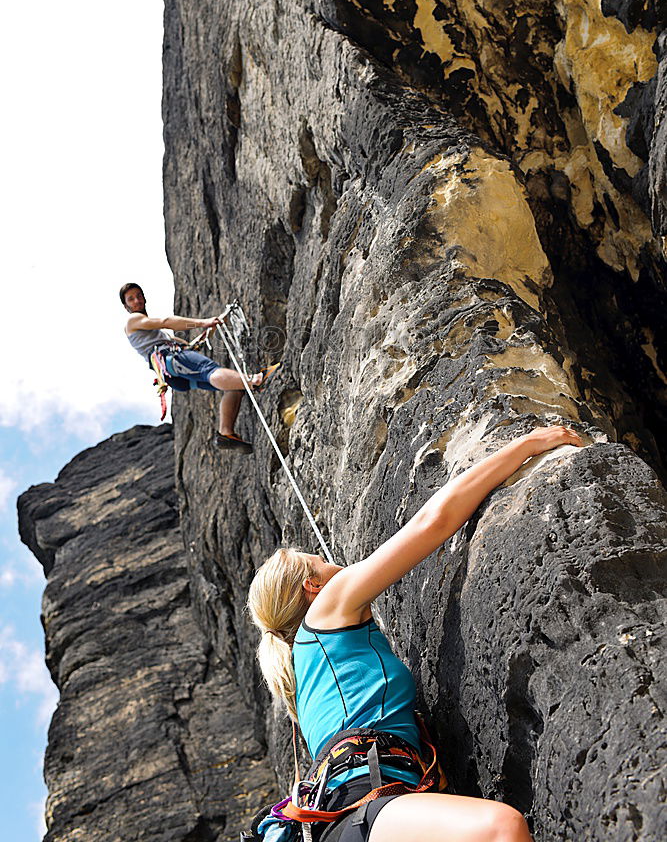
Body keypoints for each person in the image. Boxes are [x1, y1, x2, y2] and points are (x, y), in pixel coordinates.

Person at [247, 425, 584, 841]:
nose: (336, 564)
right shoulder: (328, 608)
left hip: (353, 817)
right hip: (366, 803)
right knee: (501, 828)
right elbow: (434, 521)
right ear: (312, 589)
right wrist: (527, 445)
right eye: (321, 562)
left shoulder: (307, 670)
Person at [120, 282, 277, 453]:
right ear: (126, 305)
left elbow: (189, 346)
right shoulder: (133, 320)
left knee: (235, 387)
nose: (137, 300)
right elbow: (166, 322)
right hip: (170, 360)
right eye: (131, 299)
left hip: (173, 374)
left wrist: (210, 327)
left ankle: (226, 433)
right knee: (208, 370)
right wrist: (202, 323)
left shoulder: (154, 334)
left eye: (138, 295)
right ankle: (256, 380)